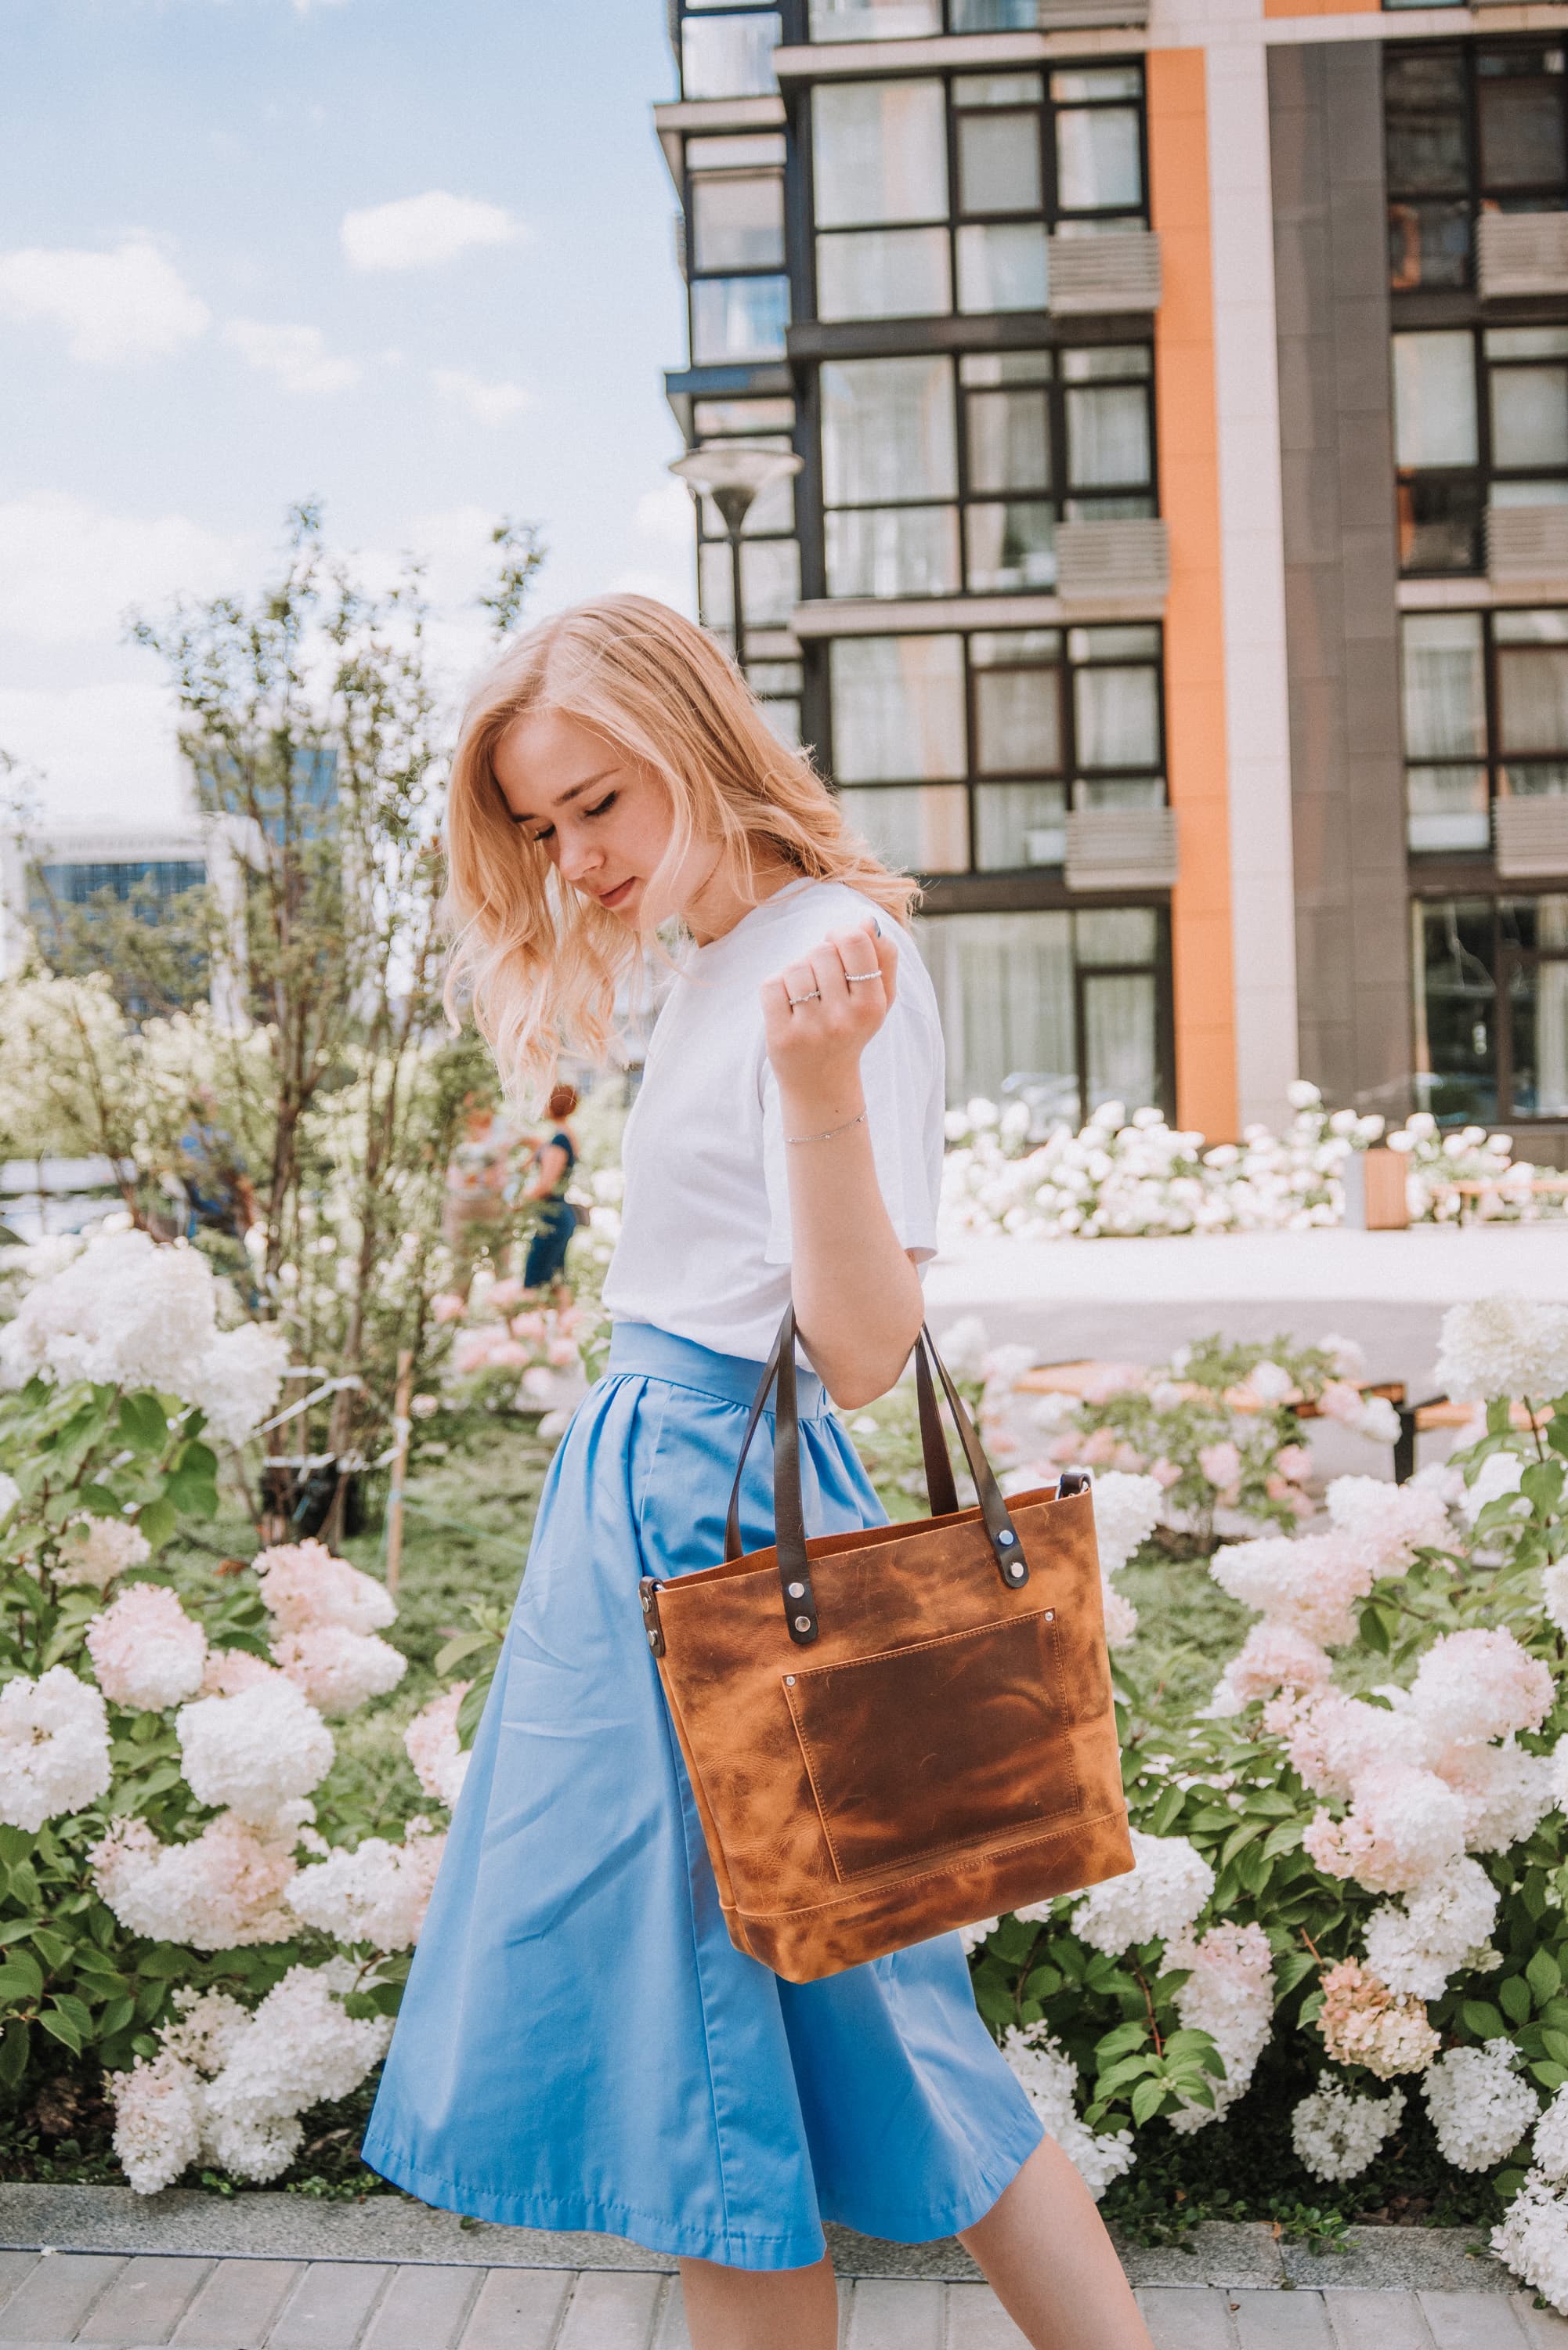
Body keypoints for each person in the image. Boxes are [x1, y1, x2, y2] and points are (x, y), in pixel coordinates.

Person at [360, 596, 1151, 2350]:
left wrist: (814, 1078)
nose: (575, 860)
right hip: (650, 1518)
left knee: (729, 2059)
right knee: (808, 2039)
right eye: (543, 828)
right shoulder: (725, 960)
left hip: (729, 1526)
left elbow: (861, 1350)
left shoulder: (829, 957)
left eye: (599, 805)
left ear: (696, 743)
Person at [440, 1094, 518, 1300]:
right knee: (461, 1265)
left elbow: (531, 1143)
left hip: (491, 1202)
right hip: (463, 1203)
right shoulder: (459, 1132)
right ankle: (456, 1315)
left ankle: (510, 1319)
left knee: (500, 1264)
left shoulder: (500, 1130)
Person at [518, 1080, 580, 1303]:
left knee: (534, 1280)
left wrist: (517, 1202)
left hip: (553, 1218)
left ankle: (532, 1330)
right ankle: (565, 1332)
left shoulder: (560, 1140)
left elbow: (546, 1185)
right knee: (557, 1278)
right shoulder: (563, 1136)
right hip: (557, 1216)